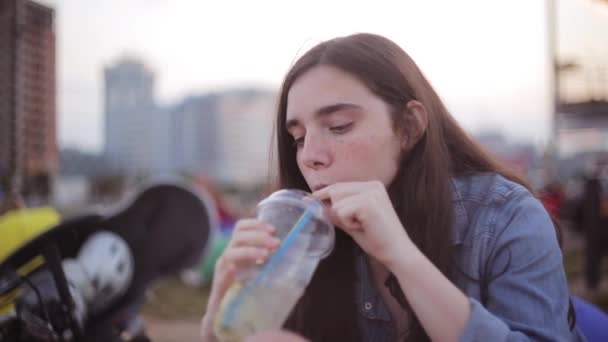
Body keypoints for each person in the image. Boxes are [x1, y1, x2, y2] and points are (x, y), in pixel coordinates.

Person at [200, 33, 585, 341]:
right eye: (299, 137)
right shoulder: (300, 247)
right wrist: (220, 314)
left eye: (338, 127)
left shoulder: (505, 218)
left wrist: (400, 255)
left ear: (409, 127)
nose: (309, 156)